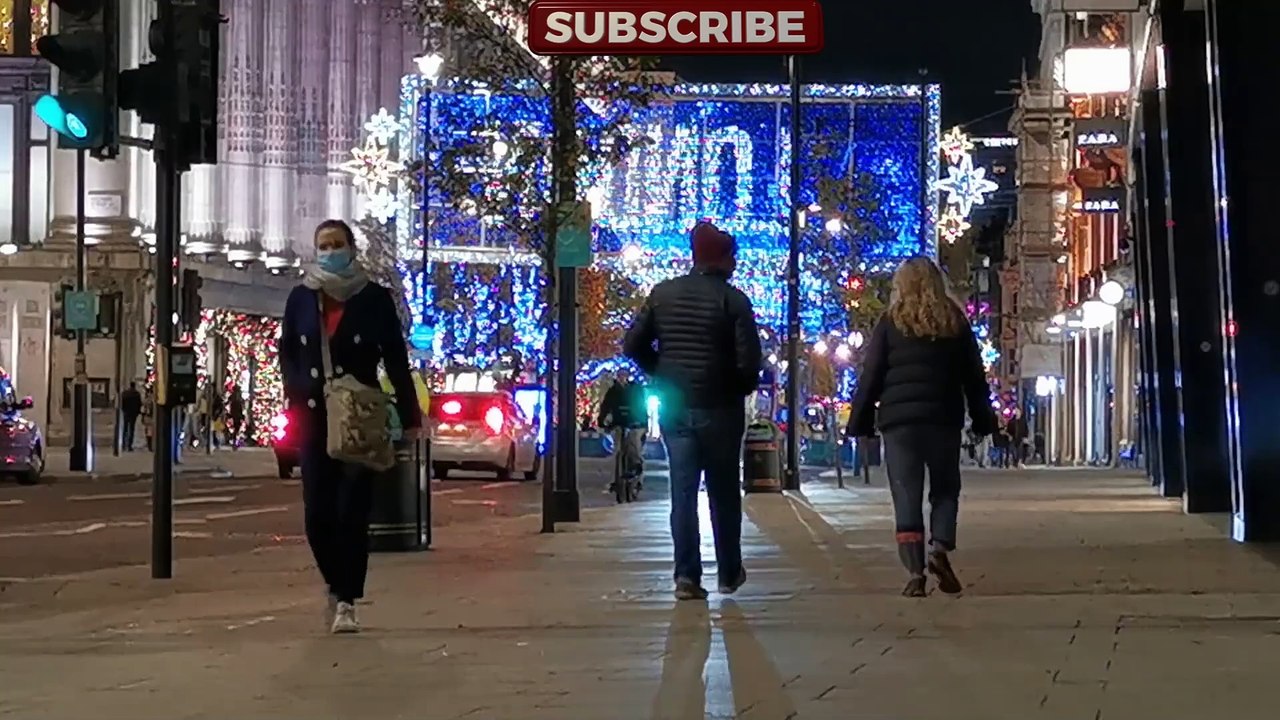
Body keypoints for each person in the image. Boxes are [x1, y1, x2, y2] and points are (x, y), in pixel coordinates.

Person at [279, 219, 421, 634]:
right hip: (313, 415)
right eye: (324, 245)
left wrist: (410, 416)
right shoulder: (301, 297)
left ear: (352, 249)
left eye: (338, 244)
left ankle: (347, 599)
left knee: (352, 511)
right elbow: (287, 351)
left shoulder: (373, 298)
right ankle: (334, 580)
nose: (330, 251)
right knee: (317, 514)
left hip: (358, 414)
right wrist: (293, 395)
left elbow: (395, 358)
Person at [624, 222, 762, 601]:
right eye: (732, 256)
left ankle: (686, 576)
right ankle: (729, 572)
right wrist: (736, 387)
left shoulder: (662, 294)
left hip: (676, 405)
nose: (736, 263)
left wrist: (661, 371)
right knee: (723, 493)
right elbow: (750, 363)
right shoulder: (734, 301)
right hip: (719, 407)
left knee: (682, 493)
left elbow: (632, 343)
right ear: (722, 259)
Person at [846, 257, 995, 598]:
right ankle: (939, 548)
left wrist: (861, 421)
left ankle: (915, 573)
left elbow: (872, 376)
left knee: (906, 492)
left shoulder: (890, 322)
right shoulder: (954, 322)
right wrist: (984, 419)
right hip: (943, 418)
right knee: (945, 488)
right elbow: (974, 377)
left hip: (899, 423)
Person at [596, 370, 648, 488]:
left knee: (633, 446)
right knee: (617, 449)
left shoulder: (635, 390)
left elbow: (641, 406)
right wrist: (601, 421)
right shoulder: (613, 391)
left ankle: (636, 470)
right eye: (620, 376)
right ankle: (617, 478)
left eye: (624, 376)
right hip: (619, 423)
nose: (622, 378)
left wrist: (643, 423)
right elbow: (606, 406)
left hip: (635, 423)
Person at [120, 381, 142, 451]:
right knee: (132, 429)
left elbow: (122, 403)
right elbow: (139, 404)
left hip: (126, 412)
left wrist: (123, 410)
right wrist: (138, 412)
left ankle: (123, 444)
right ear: (134, 386)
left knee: (125, 428)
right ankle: (129, 445)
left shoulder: (125, 393)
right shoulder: (137, 394)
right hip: (133, 413)